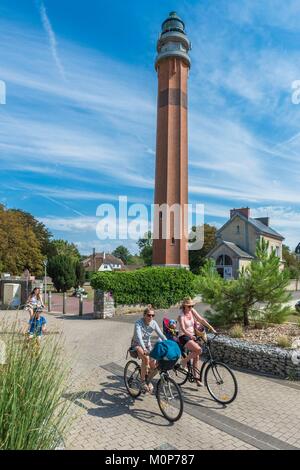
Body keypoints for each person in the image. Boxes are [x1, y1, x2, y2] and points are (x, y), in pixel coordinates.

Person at [178, 297, 217, 386]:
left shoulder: (192, 311)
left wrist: (211, 328)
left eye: (192, 306)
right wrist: (190, 336)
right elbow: (183, 329)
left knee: (197, 357)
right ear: (184, 306)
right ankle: (183, 361)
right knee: (199, 350)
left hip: (193, 336)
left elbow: (201, 319)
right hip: (184, 336)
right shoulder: (181, 316)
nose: (191, 307)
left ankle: (196, 379)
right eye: (189, 306)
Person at [130, 305, 167, 392]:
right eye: (149, 315)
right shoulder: (138, 323)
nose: (151, 317)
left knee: (154, 367)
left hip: (148, 345)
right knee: (146, 359)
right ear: (144, 315)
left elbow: (161, 334)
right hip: (137, 344)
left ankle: (148, 380)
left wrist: (169, 343)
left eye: (152, 315)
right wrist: (144, 349)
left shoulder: (153, 323)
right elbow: (139, 338)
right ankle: (142, 381)